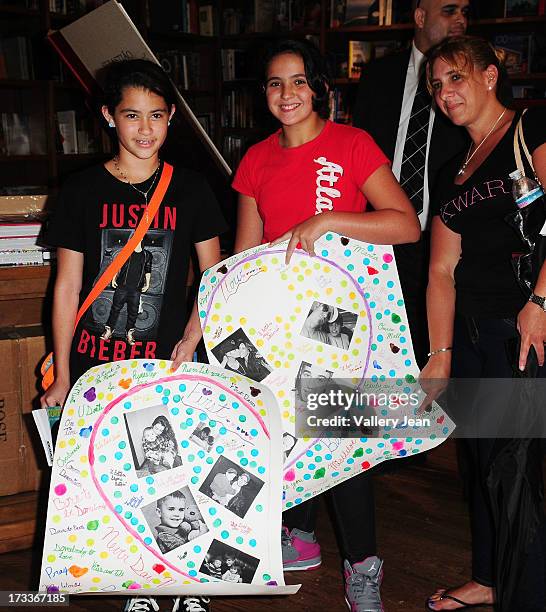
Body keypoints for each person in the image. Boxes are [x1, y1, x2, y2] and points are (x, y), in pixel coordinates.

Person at [232, 38, 420, 612]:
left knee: (342, 443)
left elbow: (406, 225)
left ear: (319, 87)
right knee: (284, 438)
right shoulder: (255, 159)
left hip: (339, 322)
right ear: (263, 93)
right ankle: (301, 535)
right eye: (274, 83)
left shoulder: (352, 144)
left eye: (298, 81)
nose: (287, 94)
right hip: (276, 323)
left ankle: (363, 567)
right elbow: (243, 257)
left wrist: (329, 219)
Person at [40, 58, 225, 612]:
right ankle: (139, 582)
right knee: (116, 478)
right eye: (132, 115)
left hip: (162, 364)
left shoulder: (191, 190)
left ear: (171, 119)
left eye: (157, 115)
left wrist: (193, 338)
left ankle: (186, 581)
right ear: (108, 117)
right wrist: (63, 374)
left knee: (170, 476)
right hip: (94, 364)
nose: (145, 129)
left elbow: (214, 277)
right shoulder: (80, 191)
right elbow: (67, 286)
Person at [422, 36, 546, 611]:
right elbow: (442, 269)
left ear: (491, 76)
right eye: (437, 84)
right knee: (478, 465)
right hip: (470, 333)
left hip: (522, 326)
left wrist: (540, 302)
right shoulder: (451, 169)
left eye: (456, 78)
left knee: (517, 471)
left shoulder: (531, 130)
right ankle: (490, 577)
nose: (446, 92)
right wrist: (441, 353)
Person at [353, 0, 470, 368]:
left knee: (442, 358)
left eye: (466, 11)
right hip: (381, 238)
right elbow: (358, 152)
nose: (462, 20)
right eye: (450, 10)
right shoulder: (378, 75)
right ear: (420, 17)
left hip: (449, 239)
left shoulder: (477, 76)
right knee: (381, 354)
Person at [100, 236, 152, 345]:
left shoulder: (147, 255)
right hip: (122, 287)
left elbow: (148, 269)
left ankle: (129, 333)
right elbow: (117, 266)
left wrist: (147, 283)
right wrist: (114, 278)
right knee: (115, 309)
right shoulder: (125, 252)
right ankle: (109, 330)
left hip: (136, 290)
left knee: (133, 313)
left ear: (142, 239)